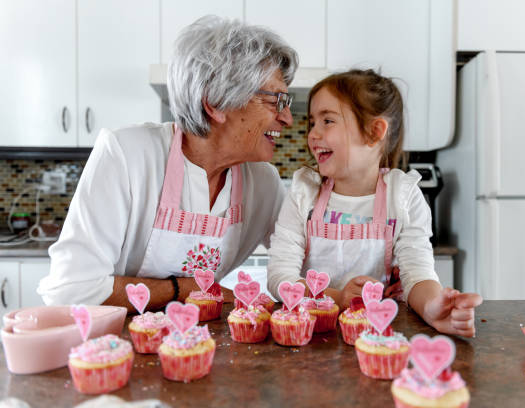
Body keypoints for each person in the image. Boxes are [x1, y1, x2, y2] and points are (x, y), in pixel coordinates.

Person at [38, 16, 298, 311]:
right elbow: (70, 288)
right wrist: (183, 289)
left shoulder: (263, 181)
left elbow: (304, 260)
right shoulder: (127, 155)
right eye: (275, 100)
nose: (287, 117)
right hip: (117, 346)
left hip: (199, 345)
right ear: (214, 102)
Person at [267, 69, 482, 337]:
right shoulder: (304, 192)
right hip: (312, 336)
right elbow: (280, 276)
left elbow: (417, 274)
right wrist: (337, 297)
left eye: (328, 121)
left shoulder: (402, 196)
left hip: (380, 335)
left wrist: (433, 307)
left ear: (374, 131)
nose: (313, 134)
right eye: (312, 122)